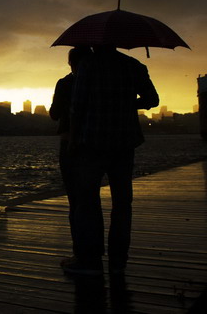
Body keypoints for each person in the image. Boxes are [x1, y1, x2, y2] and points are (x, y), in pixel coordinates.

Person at [62, 45, 159, 276]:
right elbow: (152, 100)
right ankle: (118, 261)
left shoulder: (88, 65)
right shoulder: (134, 65)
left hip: (92, 143)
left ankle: (90, 260)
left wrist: (72, 140)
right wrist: (126, 101)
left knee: (88, 203)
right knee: (123, 204)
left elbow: (78, 106)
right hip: (124, 143)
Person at [49, 47, 92, 259]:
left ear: (70, 63)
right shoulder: (98, 82)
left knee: (75, 200)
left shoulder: (65, 83)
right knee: (90, 198)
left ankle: (80, 253)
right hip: (94, 144)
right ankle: (93, 251)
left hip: (69, 143)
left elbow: (54, 114)